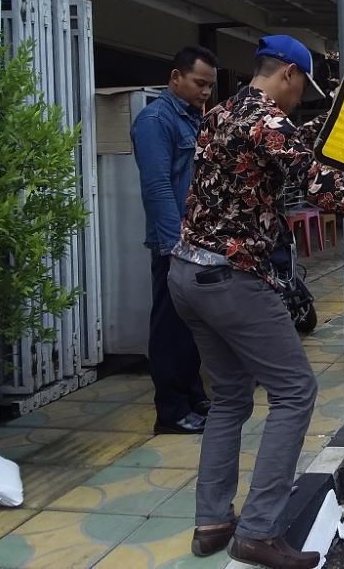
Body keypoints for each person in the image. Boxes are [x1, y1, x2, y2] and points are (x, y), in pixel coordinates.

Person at [168, 35, 344, 569]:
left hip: (186, 274)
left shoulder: (222, 114)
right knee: (295, 391)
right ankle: (258, 531)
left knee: (229, 399)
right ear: (289, 74)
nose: (300, 100)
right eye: (303, 88)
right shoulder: (266, 123)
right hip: (231, 279)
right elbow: (315, 180)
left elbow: (292, 146)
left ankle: (212, 521)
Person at [131, 46, 217, 435]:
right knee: (169, 327)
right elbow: (157, 187)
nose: (206, 92)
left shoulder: (195, 119)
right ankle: (170, 411)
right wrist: (175, 246)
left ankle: (193, 395)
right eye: (200, 83)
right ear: (175, 78)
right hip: (175, 243)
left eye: (210, 86)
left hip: (199, 240)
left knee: (193, 325)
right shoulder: (155, 121)